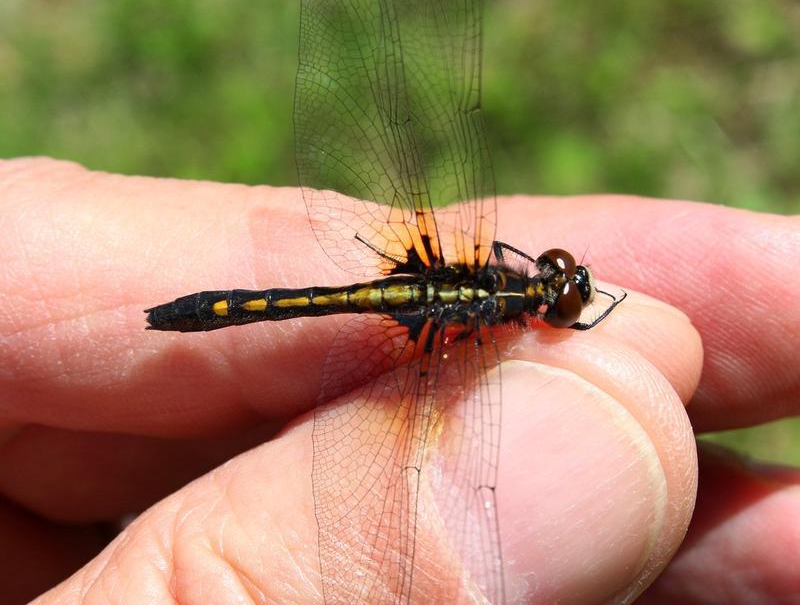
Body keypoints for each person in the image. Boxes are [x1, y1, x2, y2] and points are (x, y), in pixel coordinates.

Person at [1, 157, 798, 604]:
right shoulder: (485, 338)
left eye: (560, 284)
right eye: (559, 282)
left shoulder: (479, 299)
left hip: (412, 291)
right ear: (541, 299)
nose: (561, 281)